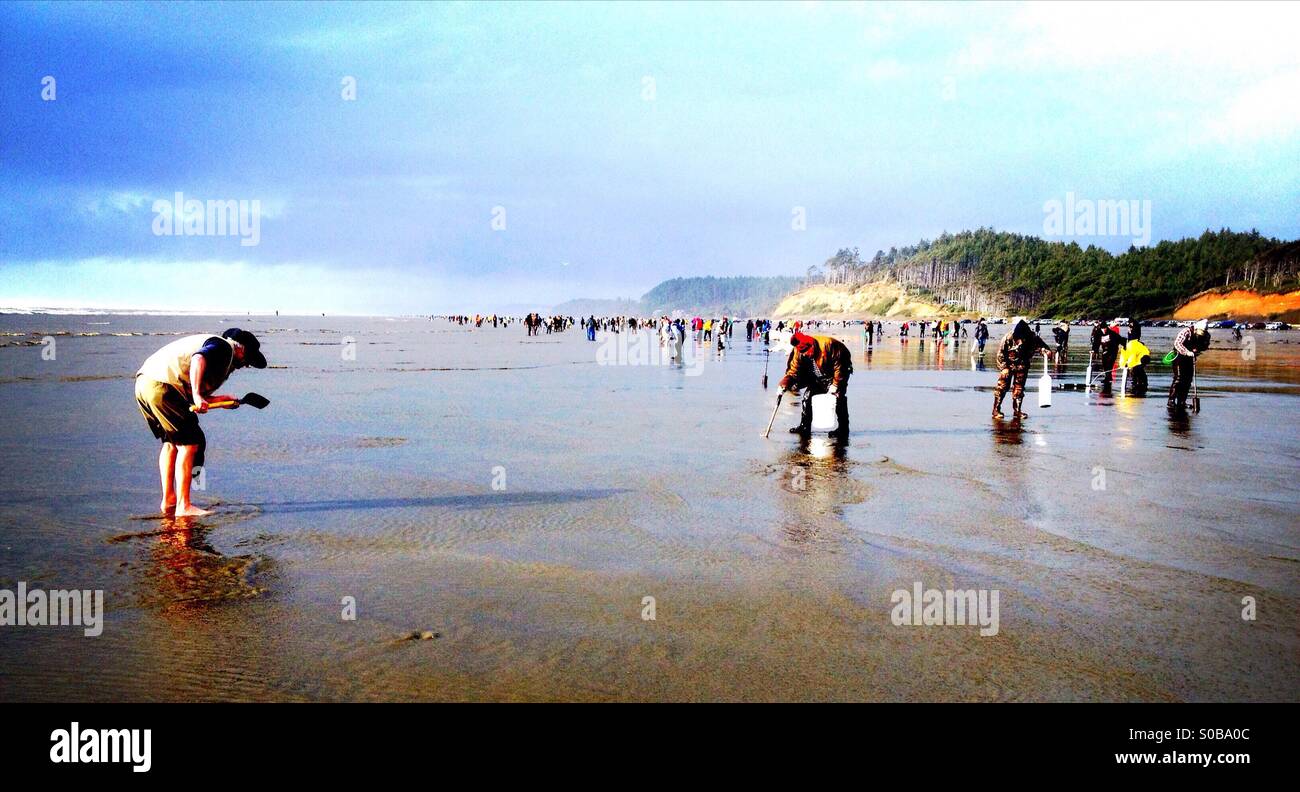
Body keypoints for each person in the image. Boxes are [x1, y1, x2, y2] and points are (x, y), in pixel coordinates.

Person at [135, 328, 267, 516]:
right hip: (163, 387)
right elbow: (199, 359)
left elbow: (195, 394)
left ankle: (169, 500)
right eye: (248, 359)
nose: (246, 365)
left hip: (145, 384)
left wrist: (222, 401)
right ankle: (184, 506)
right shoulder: (224, 347)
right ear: (241, 349)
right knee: (190, 443)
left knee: (171, 443)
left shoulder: (218, 351)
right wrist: (197, 395)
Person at [779, 331, 853, 438]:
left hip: (836, 374)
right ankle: (804, 427)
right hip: (818, 376)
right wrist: (784, 384)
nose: (805, 354)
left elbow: (840, 367)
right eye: (802, 352)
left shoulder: (828, 345)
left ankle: (843, 429)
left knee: (838, 398)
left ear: (811, 345)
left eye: (806, 351)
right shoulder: (798, 351)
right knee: (807, 397)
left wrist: (836, 385)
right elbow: (793, 370)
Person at [992, 318, 1052, 420]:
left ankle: (1017, 411)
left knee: (1019, 389)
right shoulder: (1008, 338)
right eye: (1018, 339)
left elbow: (1044, 347)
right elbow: (1000, 354)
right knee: (1002, 387)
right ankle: (996, 410)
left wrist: (1046, 351)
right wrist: (1003, 368)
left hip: (1022, 366)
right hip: (1008, 365)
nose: (1020, 342)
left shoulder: (1032, 337)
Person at [1167, 319, 1210, 410]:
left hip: (1190, 358)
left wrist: (1198, 349)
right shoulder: (1186, 331)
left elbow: (1205, 345)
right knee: (1179, 378)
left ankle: (1182, 401)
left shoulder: (1206, 335)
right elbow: (1177, 343)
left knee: (1187, 380)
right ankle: (1171, 401)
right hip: (1178, 356)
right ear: (1196, 329)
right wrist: (1187, 352)